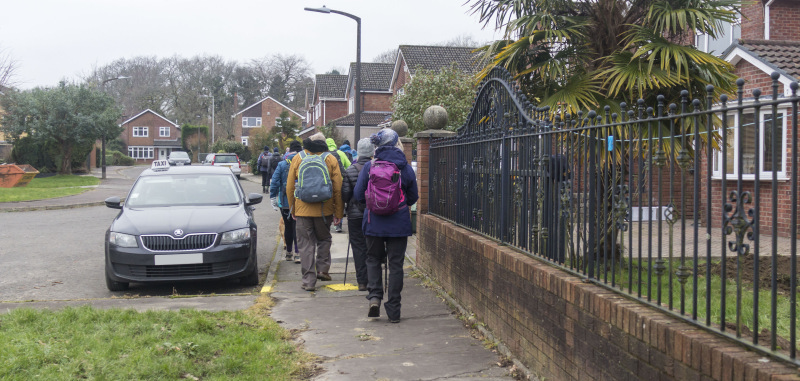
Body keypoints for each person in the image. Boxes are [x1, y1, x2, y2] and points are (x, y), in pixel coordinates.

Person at [353, 128, 418, 323]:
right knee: (396, 264)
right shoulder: (404, 167)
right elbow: (413, 197)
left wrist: (371, 206)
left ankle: (374, 298)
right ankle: (394, 310)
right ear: (397, 143)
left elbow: (357, 195)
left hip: (373, 223)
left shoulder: (370, 166)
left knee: (372, 259)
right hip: (398, 224)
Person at [286, 132, 344, 291]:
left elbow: (290, 186)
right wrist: (338, 212)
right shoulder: (330, 159)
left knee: (305, 245)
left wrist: (293, 208)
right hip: (324, 210)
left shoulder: (298, 158)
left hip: (302, 210)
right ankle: (323, 269)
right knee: (324, 239)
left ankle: (308, 281)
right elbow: (338, 188)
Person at [340, 138, 374, 291]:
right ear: (372, 151)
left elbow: (345, 195)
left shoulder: (350, 170)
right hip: (373, 214)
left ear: (358, 151)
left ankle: (362, 281)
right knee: (372, 246)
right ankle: (374, 279)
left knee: (358, 247)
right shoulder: (376, 168)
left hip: (355, 215)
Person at [270, 140, 303, 263]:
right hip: (301, 201)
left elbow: (274, 182)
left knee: (288, 227)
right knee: (298, 228)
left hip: (285, 202)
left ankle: (288, 252)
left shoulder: (282, 164)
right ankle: (298, 253)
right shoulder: (303, 161)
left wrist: (273, 198)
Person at [326, 138, 351, 233]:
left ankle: (327, 223)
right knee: (339, 202)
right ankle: (338, 225)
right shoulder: (340, 153)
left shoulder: (324, 155)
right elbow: (349, 165)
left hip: (326, 184)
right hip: (339, 182)